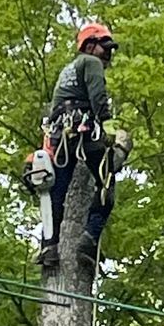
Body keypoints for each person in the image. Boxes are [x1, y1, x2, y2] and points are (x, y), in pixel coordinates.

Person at [33, 20, 124, 271]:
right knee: (106, 182)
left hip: (61, 135)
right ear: (91, 45)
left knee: (56, 193)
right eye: (105, 48)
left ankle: (49, 247)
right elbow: (97, 96)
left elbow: (55, 109)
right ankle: (89, 239)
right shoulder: (91, 63)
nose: (108, 54)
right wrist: (107, 124)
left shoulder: (67, 71)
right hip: (84, 132)